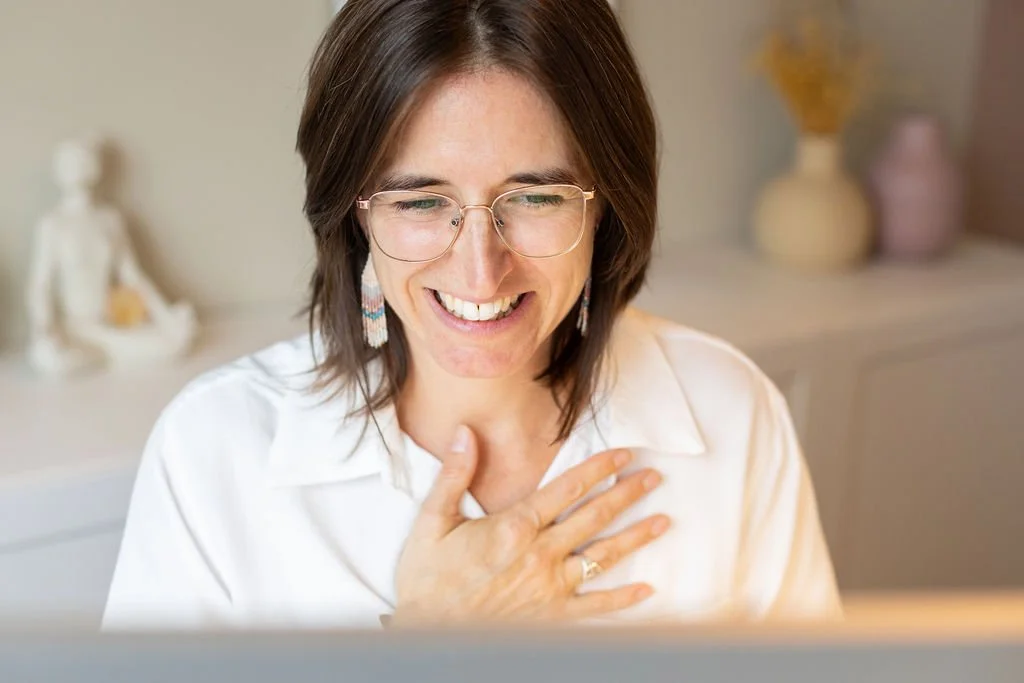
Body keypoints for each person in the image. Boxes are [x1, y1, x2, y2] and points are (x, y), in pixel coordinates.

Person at [102, 0, 841, 630]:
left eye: (536, 197)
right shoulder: (215, 454)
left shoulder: (730, 416)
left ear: (605, 202)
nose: (480, 268)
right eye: (422, 201)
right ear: (354, 216)